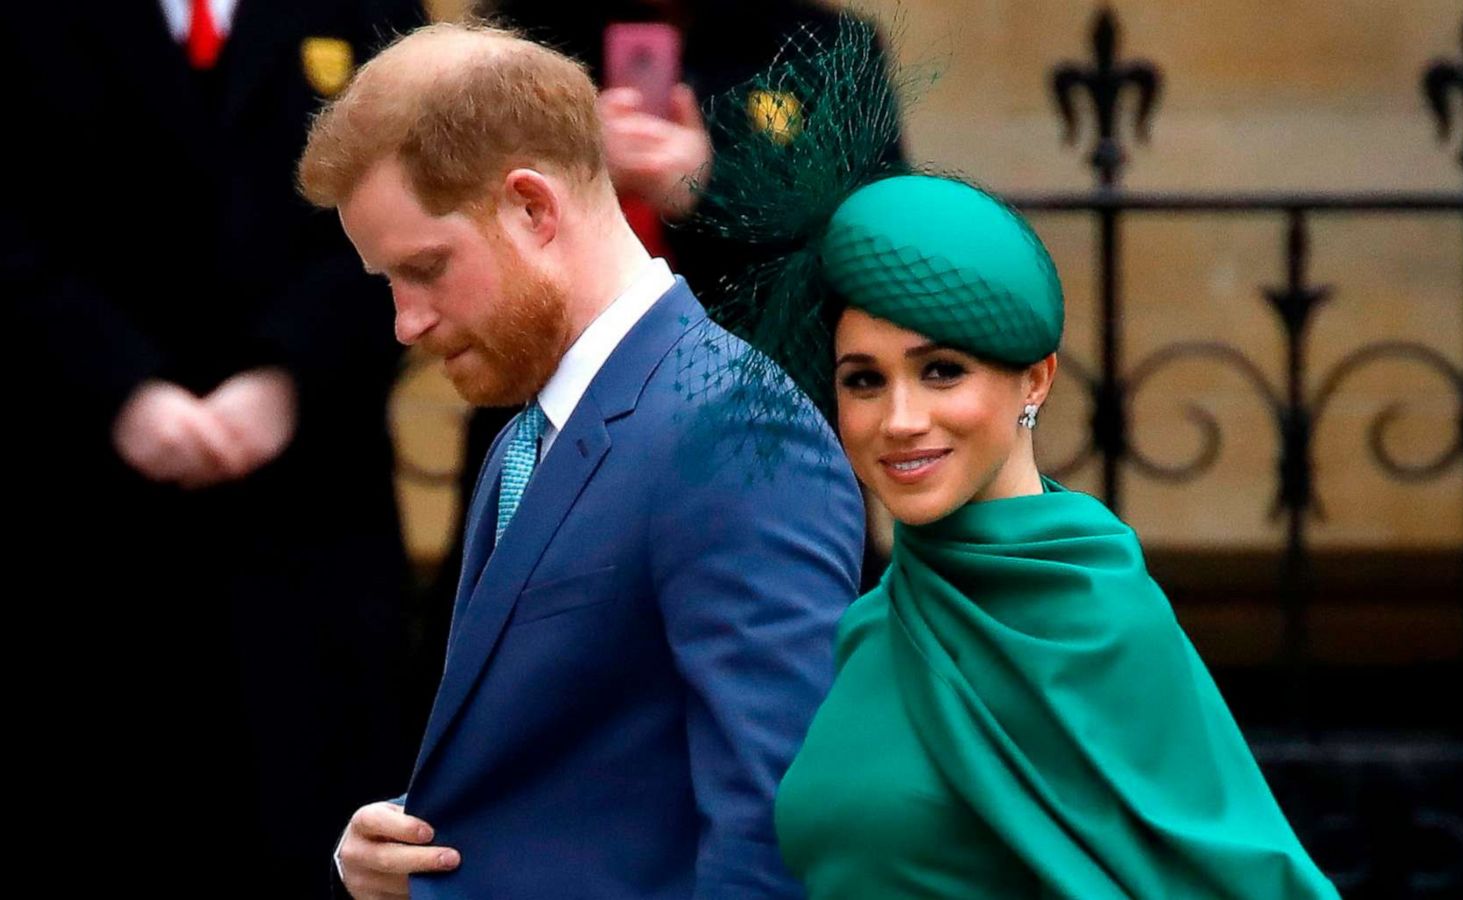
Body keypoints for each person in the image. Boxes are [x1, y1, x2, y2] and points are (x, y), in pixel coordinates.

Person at [688, 23, 1343, 897]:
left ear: (1036, 378)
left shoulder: (1096, 618)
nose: (900, 419)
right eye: (863, 381)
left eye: (942, 371)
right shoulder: (871, 626)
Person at [296, 22, 863, 898]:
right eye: (388, 284)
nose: (405, 323)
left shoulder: (735, 429)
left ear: (533, 206)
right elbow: (583, 786)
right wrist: (405, 853)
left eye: (426, 269)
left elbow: (779, 839)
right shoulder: (531, 432)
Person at [0, 2, 423, 894]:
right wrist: (119, 386)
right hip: (82, 510)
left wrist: (290, 375)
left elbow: (431, 198)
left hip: (317, 516)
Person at [415, 1, 904, 719]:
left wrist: (712, 182)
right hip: (547, 435)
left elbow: (874, 251)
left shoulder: (821, 44)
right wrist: (563, 169)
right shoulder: (505, 40)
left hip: (760, 448)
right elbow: (437, 232)